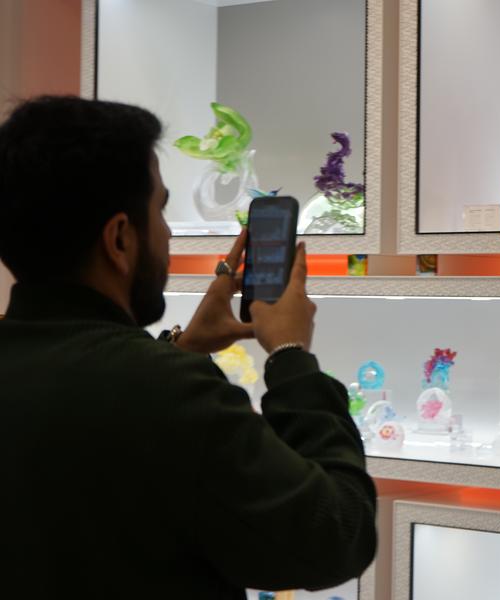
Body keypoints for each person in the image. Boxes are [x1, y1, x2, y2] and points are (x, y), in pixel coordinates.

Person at [0, 96, 376, 597]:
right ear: (119, 239)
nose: (167, 233)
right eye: (160, 210)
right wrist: (291, 357)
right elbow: (336, 535)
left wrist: (182, 349)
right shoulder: (172, 394)